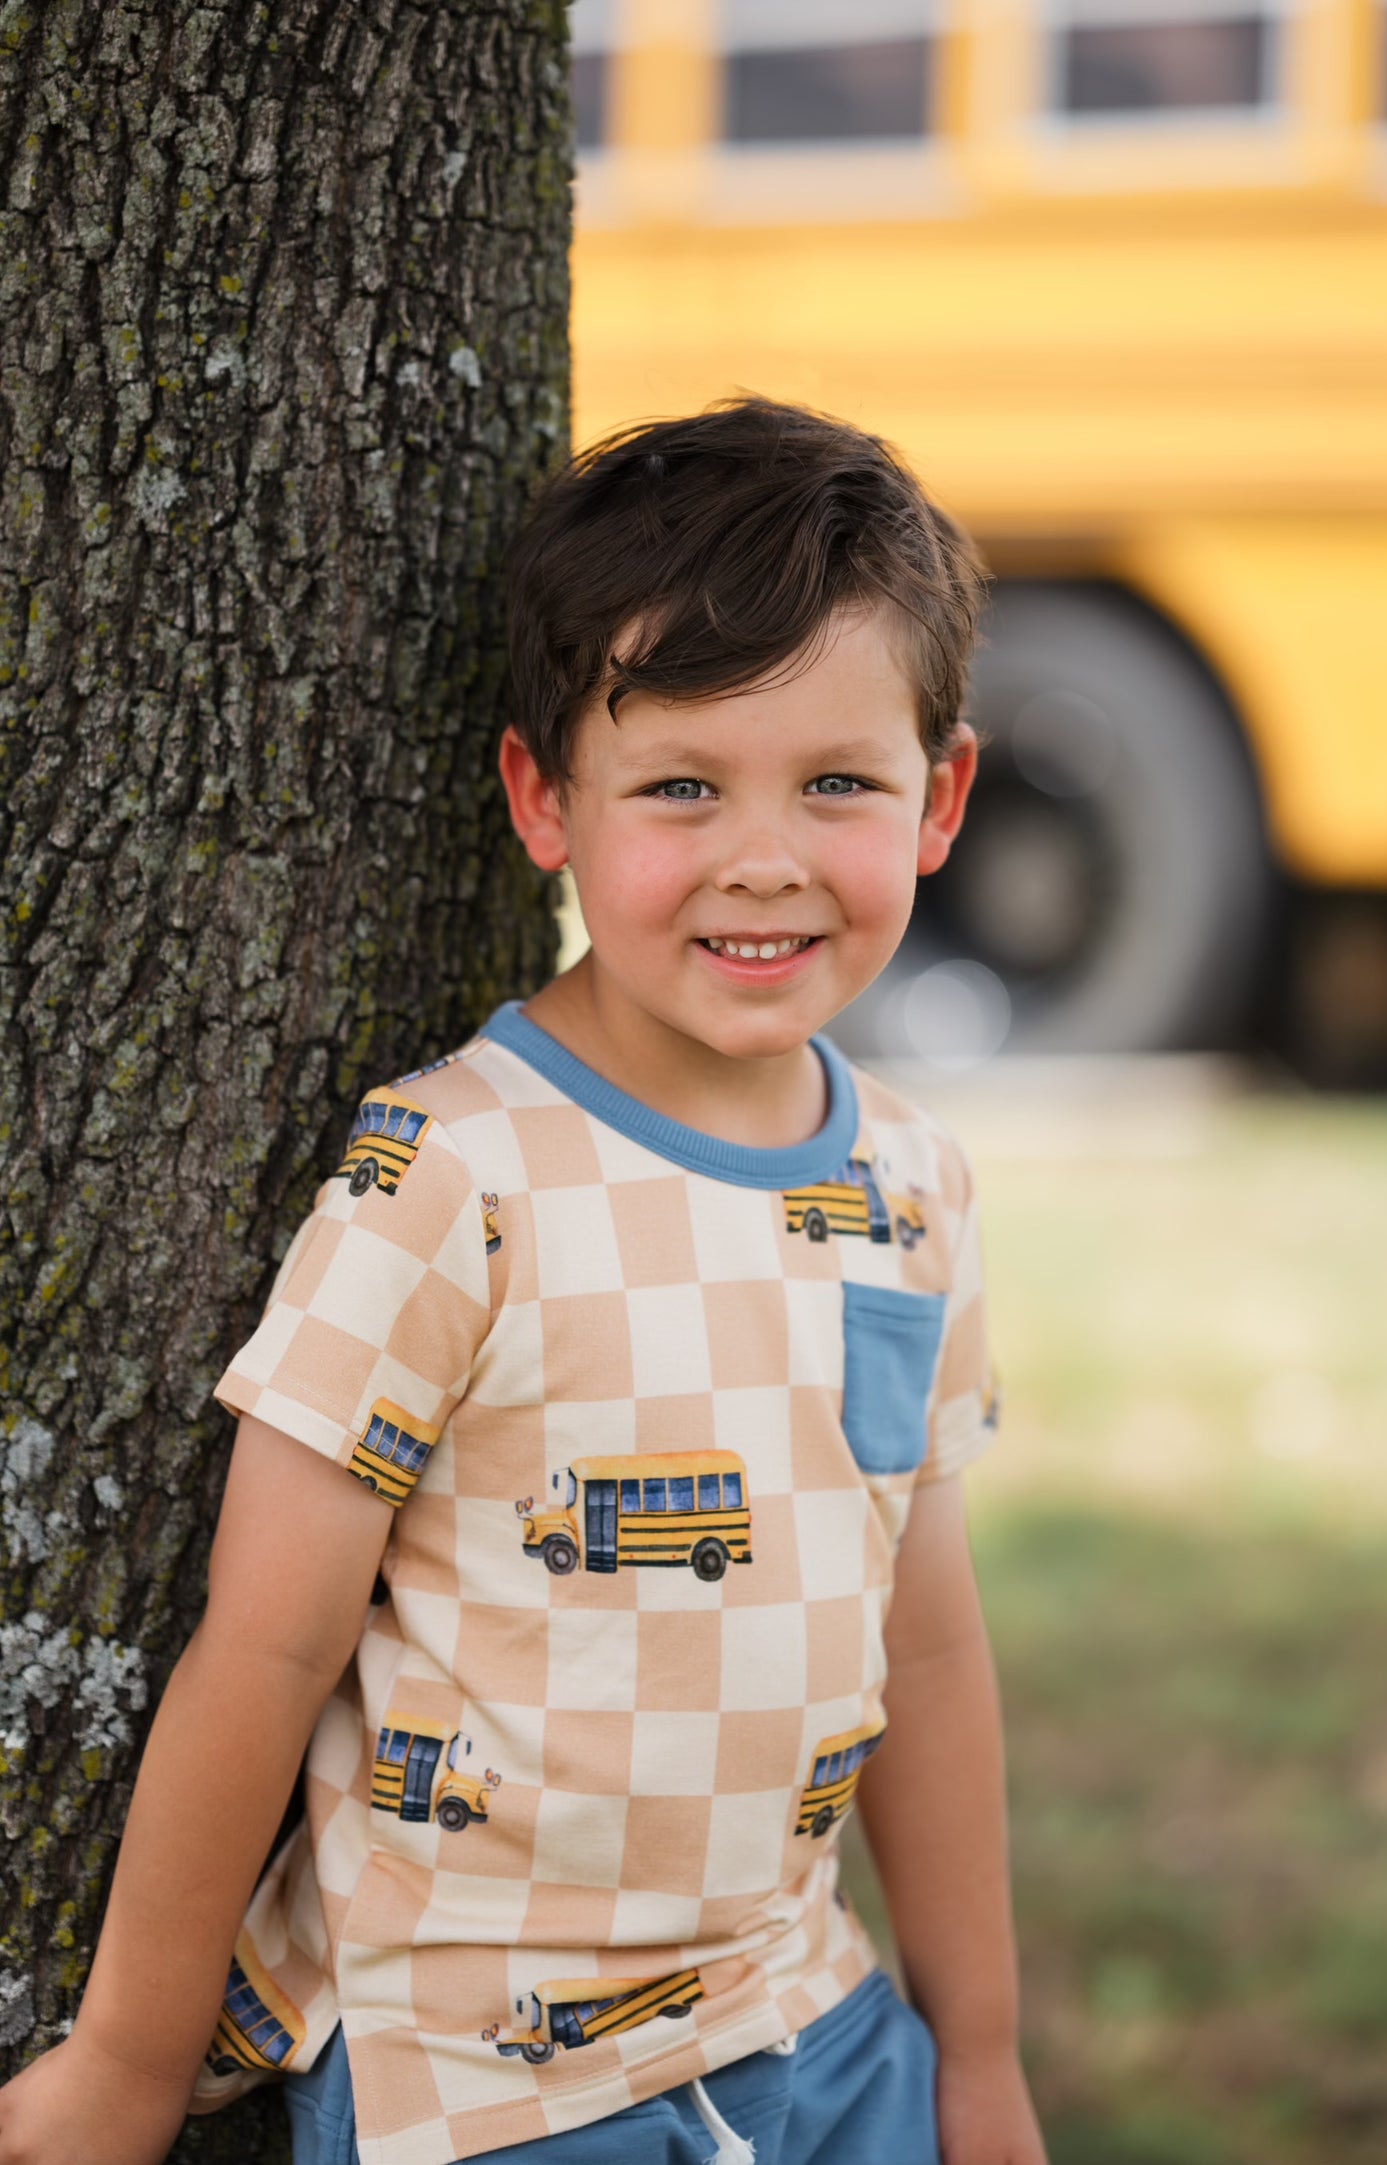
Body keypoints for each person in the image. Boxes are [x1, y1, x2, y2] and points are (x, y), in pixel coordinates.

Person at [0, 398, 1046, 2165]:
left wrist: (981, 2053)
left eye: (837, 782)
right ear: (542, 800)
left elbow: (926, 1651)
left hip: (818, 2030)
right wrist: (122, 2063)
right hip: (489, 2087)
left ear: (939, 798)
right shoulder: (454, 1175)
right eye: (682, 786)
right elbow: (262, 1649)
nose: (766, 856)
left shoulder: (911, 1186)